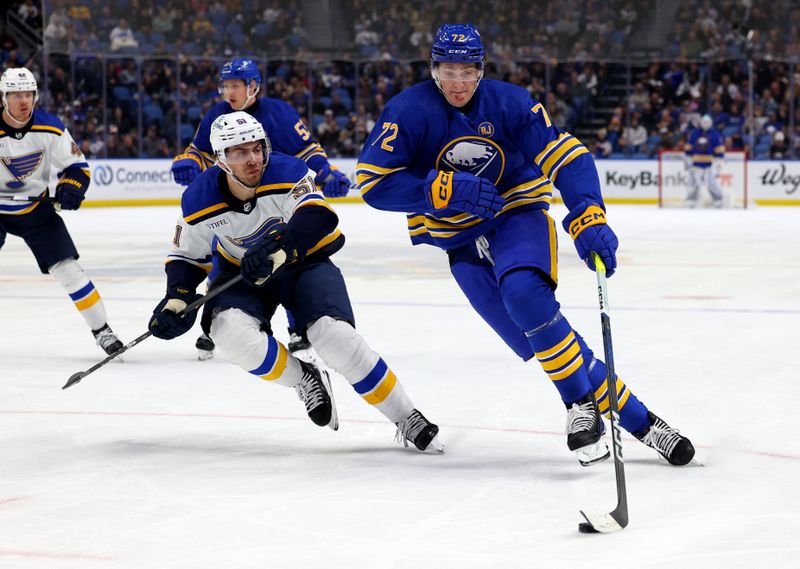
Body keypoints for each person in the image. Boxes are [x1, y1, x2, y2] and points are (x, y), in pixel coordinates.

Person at [356, 24, 695, 467]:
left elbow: (567, 156)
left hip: (514, 211)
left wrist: (587, 211)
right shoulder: (406, 110)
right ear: (433, 69)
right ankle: (645, 423)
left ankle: (578, 406)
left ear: (482, 69)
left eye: (467, 71)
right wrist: (440, 191)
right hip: (458, 241)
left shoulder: (511, 102)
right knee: (546, 338)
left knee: (525, 296)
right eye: (448, 71)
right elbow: (373, 181)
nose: (458, 82)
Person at [150, 111, 444, 453]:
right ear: (221, 159)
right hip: (240, 273)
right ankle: (304, 377)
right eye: (241, 152)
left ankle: (405, 415)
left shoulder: (287, 170)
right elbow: (187, 256)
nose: (254, 159)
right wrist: (177, 297)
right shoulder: (198, 200)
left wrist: (279, 250)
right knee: (228, 334)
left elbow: (316, 216)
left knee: (334, 338)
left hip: (304, 261)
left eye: (257, 149)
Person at [171, 58, 352, 360]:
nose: (229, 92)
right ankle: (220, 320)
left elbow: (307, 150)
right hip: (238, 198)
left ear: (253, 86)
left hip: (280, 199)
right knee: (226, 255)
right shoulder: (217, 114)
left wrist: (327, 172)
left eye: (235, 85)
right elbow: (203, 151)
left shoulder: (279, 112)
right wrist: (189, 160)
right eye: (226, 85)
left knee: (292, 253)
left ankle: (298, 325)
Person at [0, 67, 123, 355]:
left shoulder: (51, 128)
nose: (24, 101)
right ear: (4, 97)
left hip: (36, 210)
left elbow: (77, 167)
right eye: (16, 94)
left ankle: (102, 331)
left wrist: (71, 186)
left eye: (28, 93)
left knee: (69, 270)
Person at [684, 114, 725, 208]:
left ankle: (718, 199)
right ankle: (691, 199)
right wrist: (687, 158)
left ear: (711, 123)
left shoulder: (715, 135)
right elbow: (688, 147)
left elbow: (719, 151)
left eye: (707, 122)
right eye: (704, 122)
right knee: (693, 182)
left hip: (709, 164)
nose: (705, 124)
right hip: (695, 164)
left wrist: (719, 163)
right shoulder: (694, 133)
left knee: (711, 182)